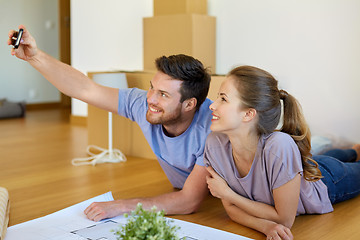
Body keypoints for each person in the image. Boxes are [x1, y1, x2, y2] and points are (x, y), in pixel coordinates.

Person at [8, 25, 213, 221]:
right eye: (152, 88)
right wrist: (35, 57)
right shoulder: (143, 103)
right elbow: (86, 89)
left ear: (189, 105)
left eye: (163, 94)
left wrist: (122, 206)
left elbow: (189, 201)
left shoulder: (211, 129)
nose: (150, 99)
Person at [203, 65, 360, 240]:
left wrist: (227, 193)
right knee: (323, 158)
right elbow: (232, 210)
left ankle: (352, 153)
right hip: (302, 168)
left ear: (248, 114)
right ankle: (352, 152)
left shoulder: (279, 146)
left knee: (332, 164)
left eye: (223, 99)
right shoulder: (214, 144)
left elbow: (284, 219)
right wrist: (265, 226)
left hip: (326, 181)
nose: (212, 105)